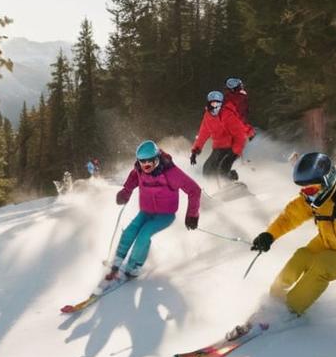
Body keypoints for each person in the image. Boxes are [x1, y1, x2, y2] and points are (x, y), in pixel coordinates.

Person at [231, 152, 336, 339]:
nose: (306, 195)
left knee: (322, 265)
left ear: (326, 181)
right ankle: (272, 304)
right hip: (328, 241)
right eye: (302, 190)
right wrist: (269, 235)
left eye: (309, 190)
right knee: (301, 256)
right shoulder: (313, 198)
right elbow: (290, 216)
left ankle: (289, 312)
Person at [106, 140, 201, 284]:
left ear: (157, 158)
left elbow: (194, 190)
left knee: (144, 234)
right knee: (130, 231)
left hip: (165, 215)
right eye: (142, 162)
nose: (146, 165)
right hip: (146, 212)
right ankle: (118, 260)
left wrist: (192, 215)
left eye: (150, 161)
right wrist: (125, 192)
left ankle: (134, 267)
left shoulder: (171, 172)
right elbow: (133, 179)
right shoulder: (139, 170)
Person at [189, 89, 253, 185]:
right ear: (209, 103)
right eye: (213, 104)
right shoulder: (208, 116)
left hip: (232, 147)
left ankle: (231, 183)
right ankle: (214, 188)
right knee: (207, 169)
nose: (215, 107)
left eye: (218, 104)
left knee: (223, 168)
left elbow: (239, 135)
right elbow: (203, 133)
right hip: (219, 147)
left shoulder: (228, 115)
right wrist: (195, 151)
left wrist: (234, 153)